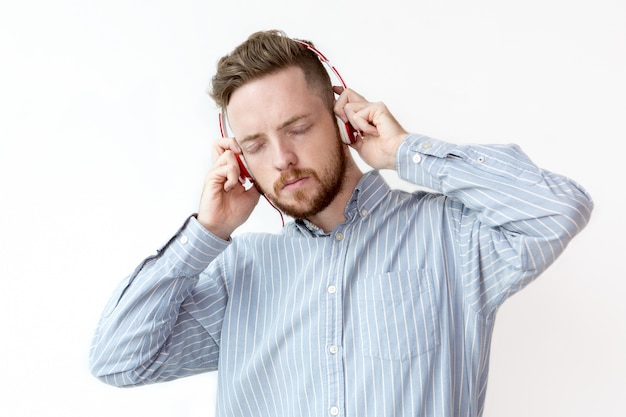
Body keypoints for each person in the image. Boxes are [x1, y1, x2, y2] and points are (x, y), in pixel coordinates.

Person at [89, 29, 593, 417]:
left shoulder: (449, 237)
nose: (282, 158)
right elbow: (117, 359)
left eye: (298, 128)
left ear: (340, 116)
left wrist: (402, 152)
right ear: (238, 159)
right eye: (255, 145)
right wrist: (206, 234)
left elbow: (556, 209)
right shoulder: (236, 276)